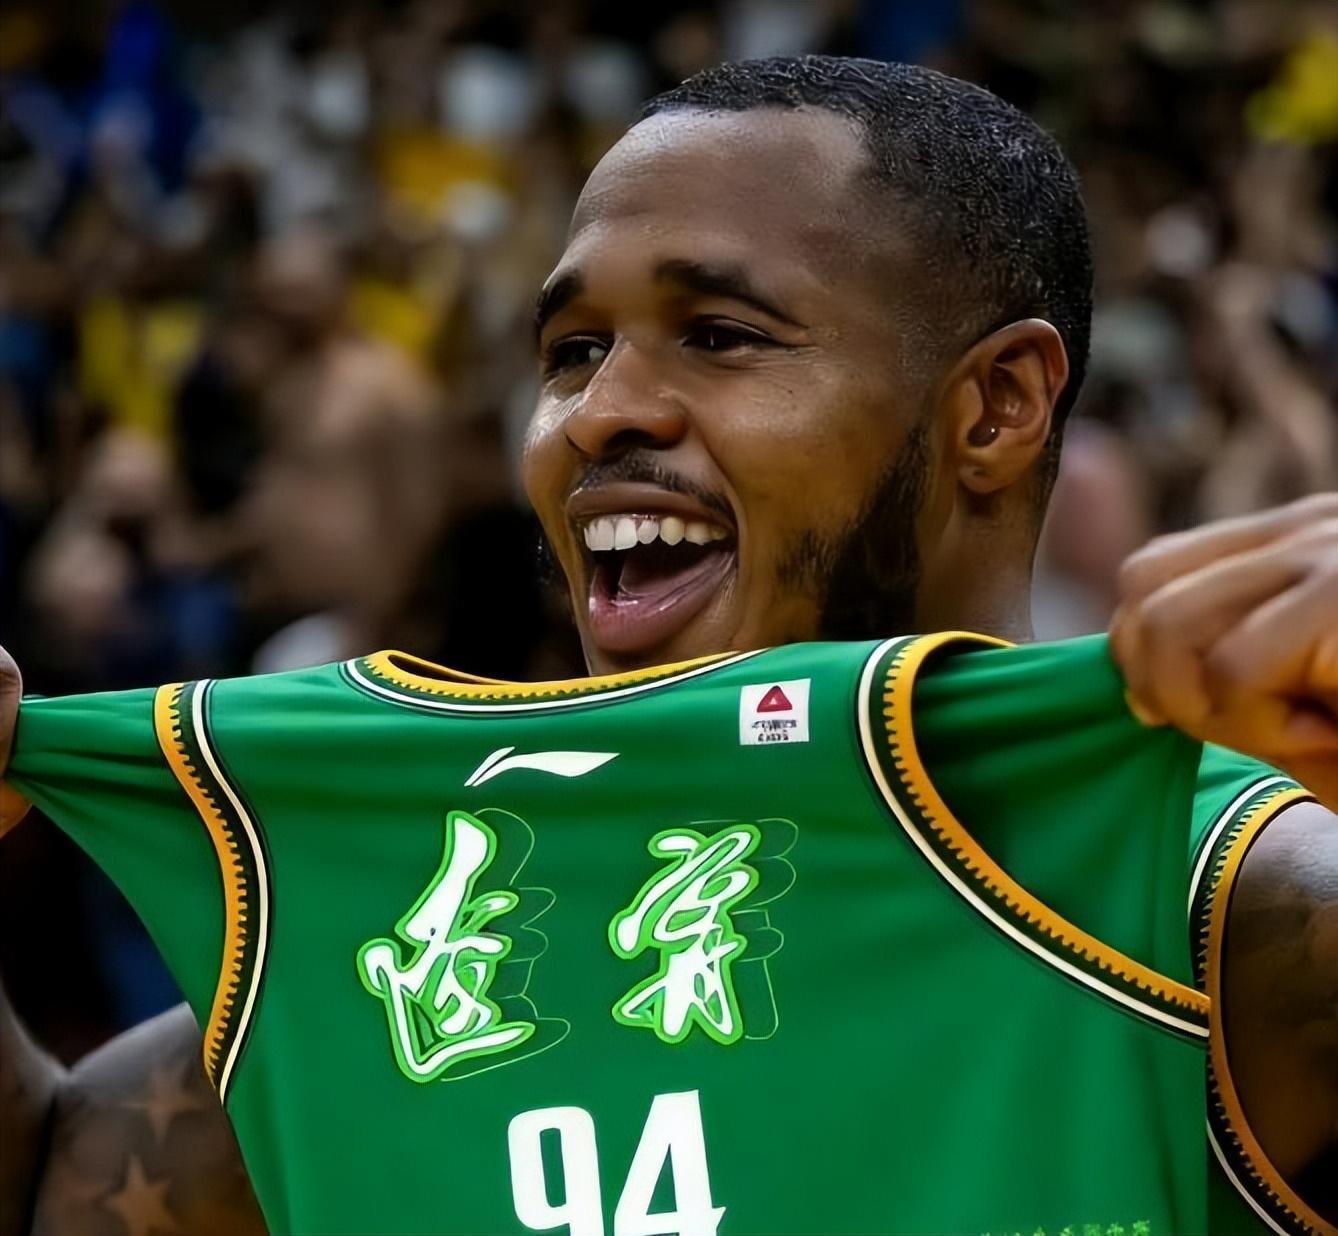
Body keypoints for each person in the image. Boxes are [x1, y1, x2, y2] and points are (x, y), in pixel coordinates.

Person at [1, 56, 1336, 1236]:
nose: (598, 412)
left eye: (720, 337)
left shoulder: (1212, 900)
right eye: (572, 350)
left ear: (996, 406)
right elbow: (52, 1183)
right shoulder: (462, 902)